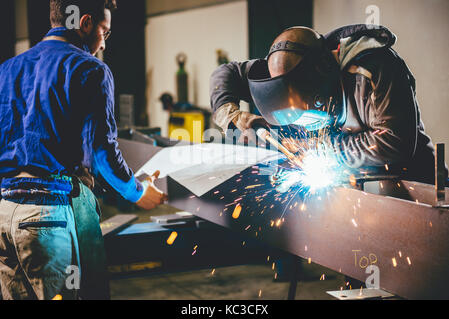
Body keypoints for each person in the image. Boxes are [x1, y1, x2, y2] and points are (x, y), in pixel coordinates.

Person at [0, 0, 166, 300]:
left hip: (3, 215)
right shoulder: (90, 69)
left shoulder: (7, 69)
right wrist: (139, 192)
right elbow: (102, 156)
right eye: (104, 31)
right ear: (85, 23)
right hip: (46, 219)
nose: (103, 43)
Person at [210, 24, 444, 184]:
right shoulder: (283, 68)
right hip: (358, 185)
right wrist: (232, 115)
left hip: (413, 186)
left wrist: (323, 151)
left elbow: (393, 143)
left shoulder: (376, 66)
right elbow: (225, 73)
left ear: (322, 72)